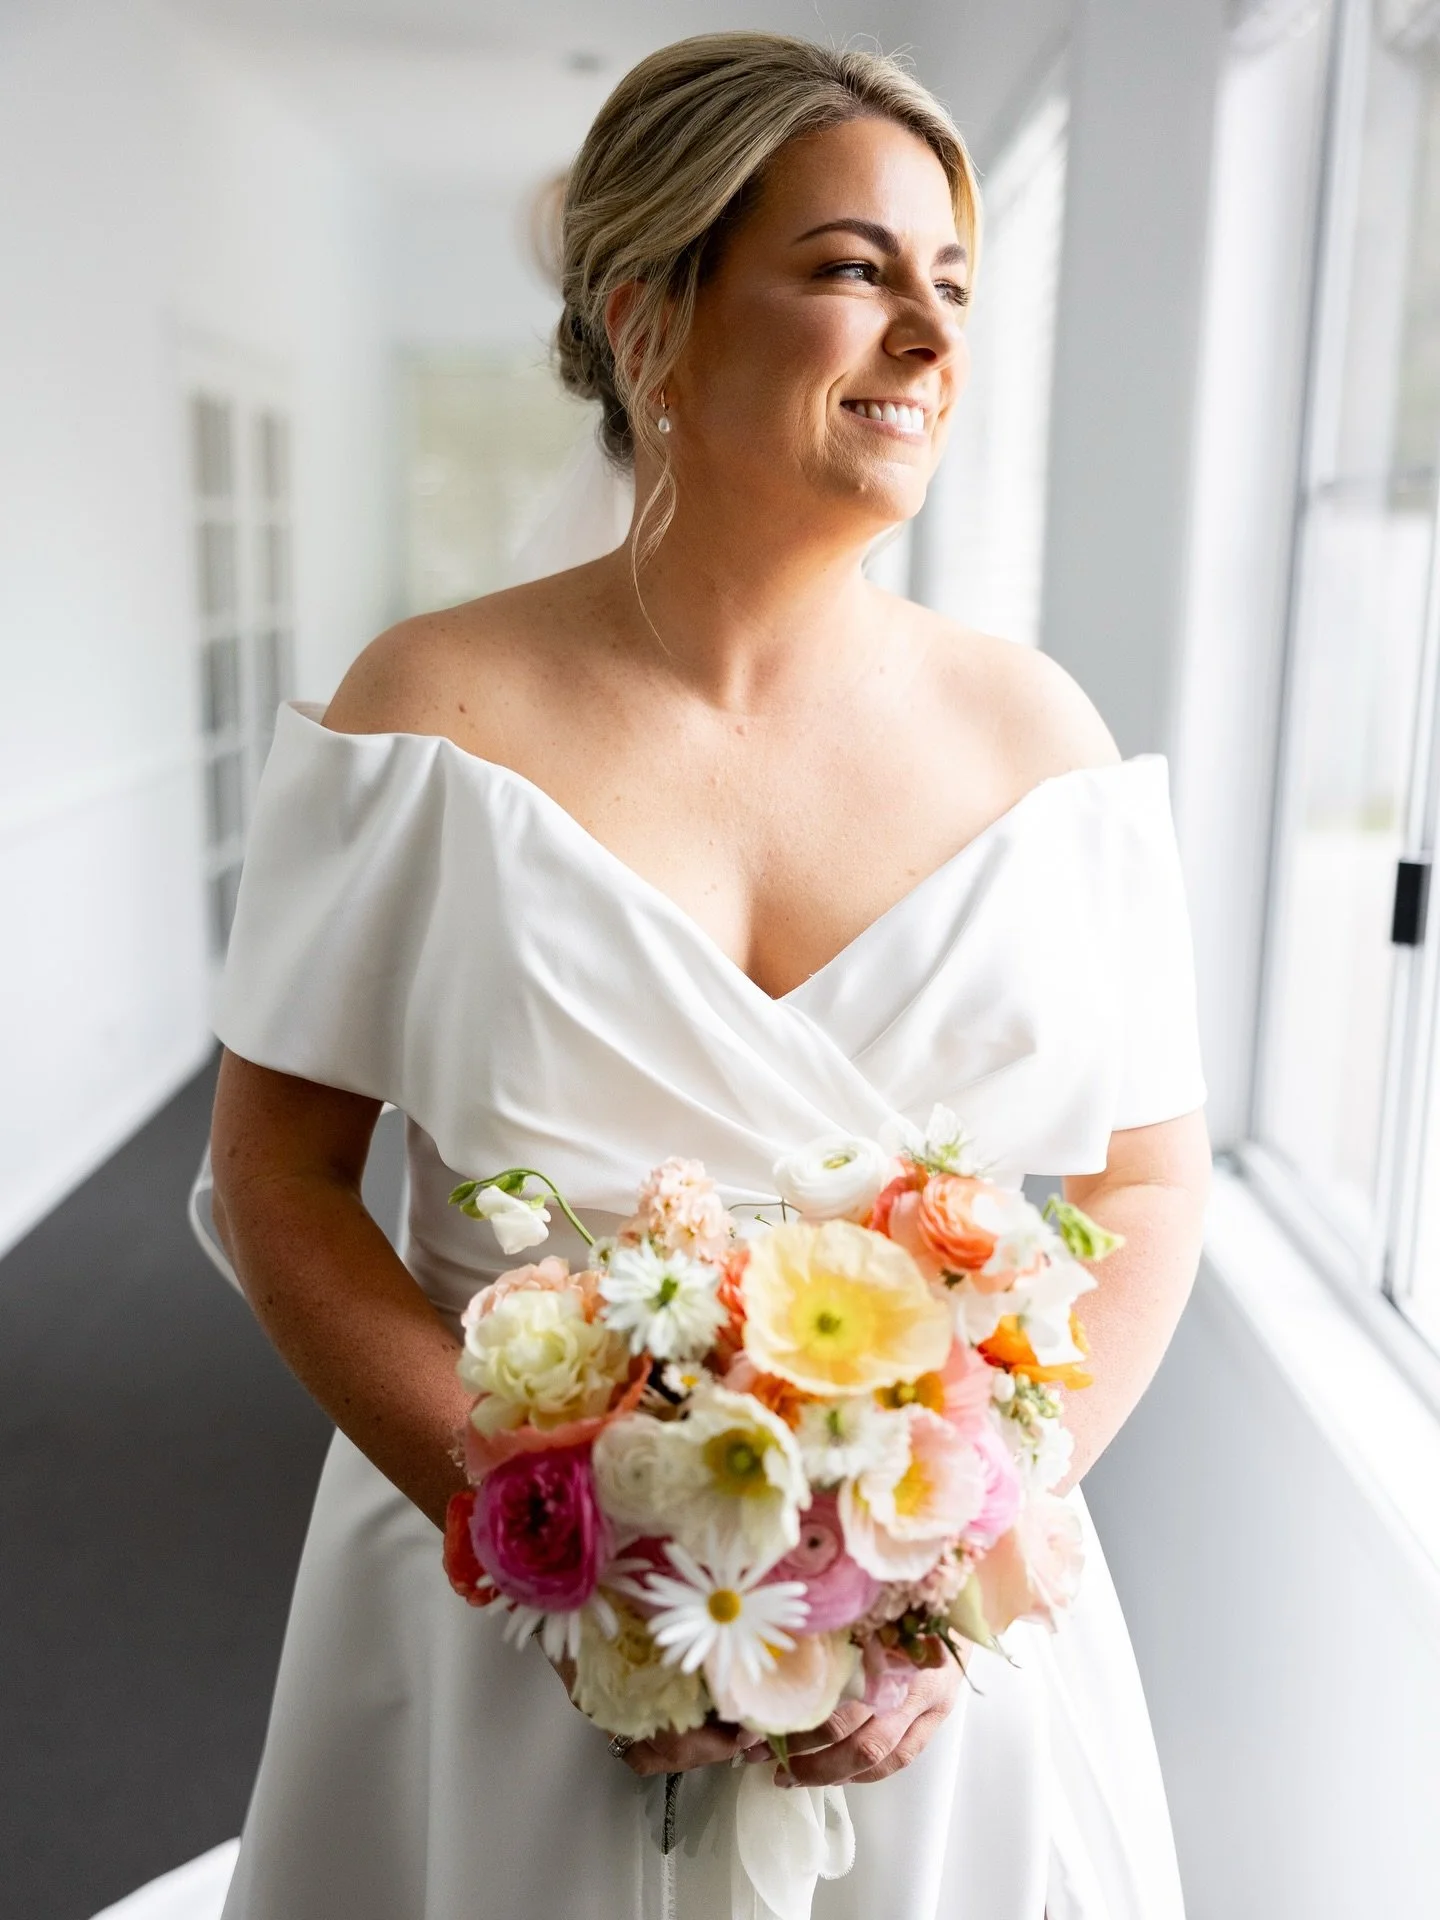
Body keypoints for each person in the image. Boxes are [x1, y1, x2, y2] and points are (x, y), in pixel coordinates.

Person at [208, 32, 1211, 1920]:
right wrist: (545, 1538)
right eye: (853, 269)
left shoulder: (1044, 745)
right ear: (648, 315)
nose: (929, 337)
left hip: (938, 1665)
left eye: (954, 285)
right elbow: (272, 1174)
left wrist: (939, 1561)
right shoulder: (425, 714)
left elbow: (1151, 1177)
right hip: (503, 1632)